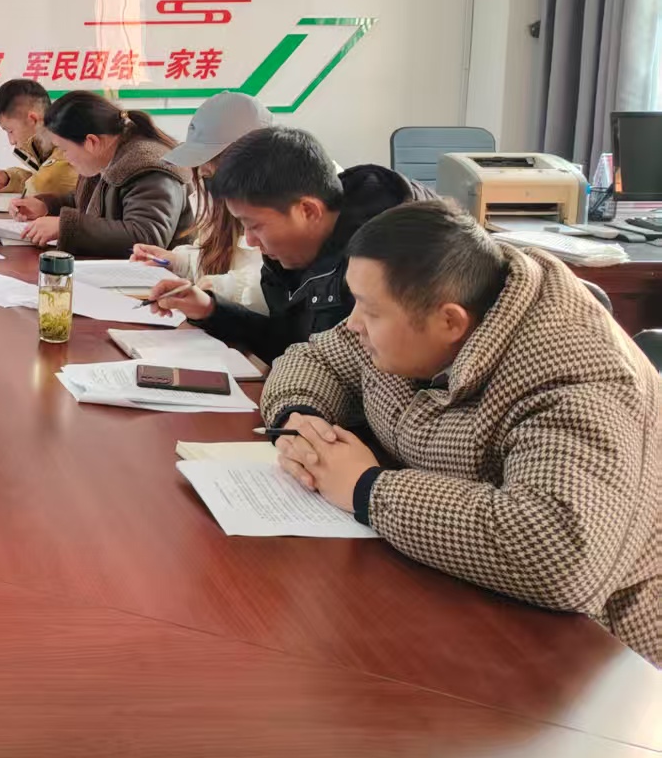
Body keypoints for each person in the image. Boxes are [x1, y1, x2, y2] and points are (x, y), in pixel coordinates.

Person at [264, 202, 662, 664]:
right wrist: (299, 418)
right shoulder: (417, 312)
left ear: (449, 322)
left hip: (602, 652)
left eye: (369, 311)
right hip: (460, 594)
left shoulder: (576, 378)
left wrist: (366, 489)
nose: (352, 324)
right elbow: (316, 358)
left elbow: (562, 551)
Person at [147, 126, 418, 363]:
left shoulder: (385, 263)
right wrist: (210, 309)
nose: (250, 240)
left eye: (255, 226)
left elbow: (349, 376)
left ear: (307, 211)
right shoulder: (286, 256)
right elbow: (287, 341)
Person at [129, 91, 273, 308]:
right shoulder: (213, 193)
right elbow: (216, 255)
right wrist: (176, 262)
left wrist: (219, 288)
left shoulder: (283, 202)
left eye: (211, 163)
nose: (203, 173)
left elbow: (281, 286)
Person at [13, 91, 192, 256]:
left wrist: (64, 227)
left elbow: (146, 236)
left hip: (158, 277)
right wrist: (46, 206)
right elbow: (90, 203)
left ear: (91, 142)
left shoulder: (149, 168)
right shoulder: (108, 155)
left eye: (64, 149)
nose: (65, 157)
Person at [0, 78, 77, 200]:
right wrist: (8, 179)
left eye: (10, 131)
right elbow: (38, 179)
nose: (11, 141)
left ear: (33, 119)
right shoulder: (56, 148)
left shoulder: (64, 161)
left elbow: (44, 183)